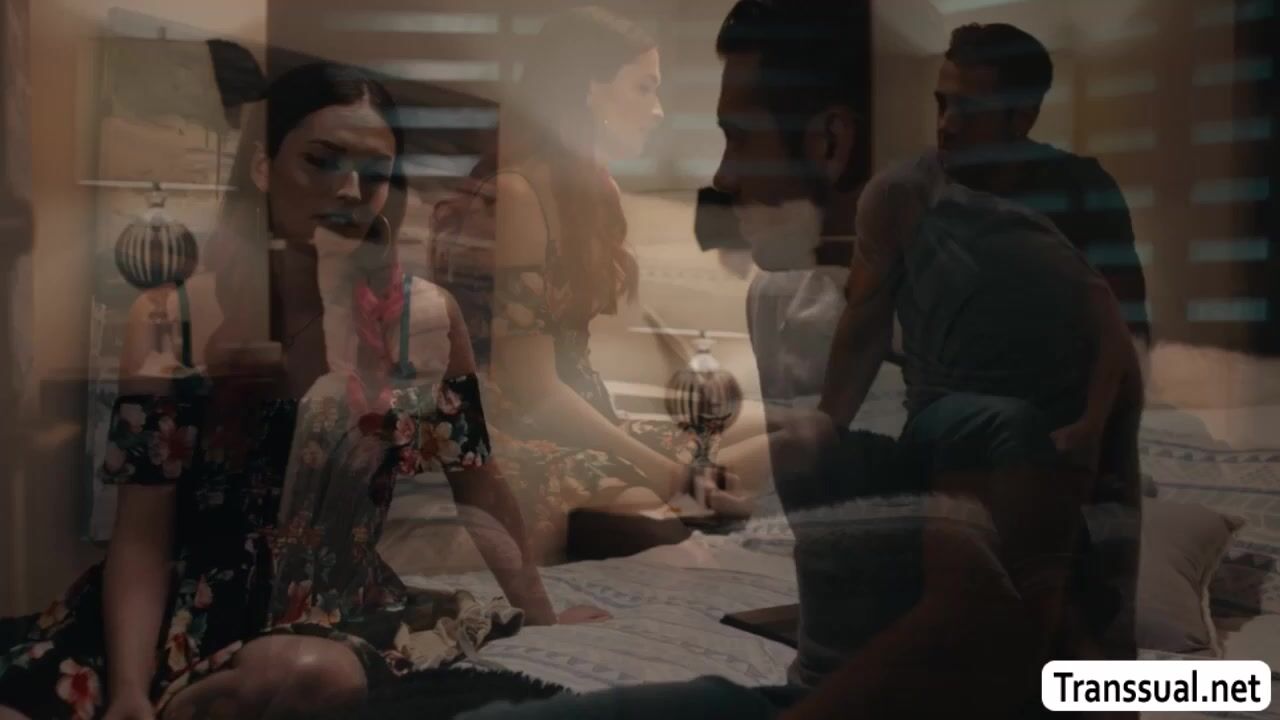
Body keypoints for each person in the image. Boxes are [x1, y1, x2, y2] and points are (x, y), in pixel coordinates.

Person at [455, 1, 1142, 718]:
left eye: (740, 136)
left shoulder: (994, 302)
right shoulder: (798, 302)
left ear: (832, 143)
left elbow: (983, 624)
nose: (721, 176)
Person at [0, 61, 601, 720]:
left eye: (374, 173)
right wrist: (127, 693)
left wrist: (542, 615)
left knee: (311, 676)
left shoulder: (424, 320)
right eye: (321, 160)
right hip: (181, 616)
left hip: (344, 611)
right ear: (263, 166)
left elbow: (476, 485)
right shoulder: (175, 318)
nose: (350, 190)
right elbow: (142, 534)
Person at [432, 6, 689, 558]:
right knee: (662, 525)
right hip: (514, 428)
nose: (659, 111)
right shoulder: (517, 195)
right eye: (644, 88)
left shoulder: (596, 191)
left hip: (584, 411)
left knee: (790, 442)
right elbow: (532, 389)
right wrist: (668, 474)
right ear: (589, 89)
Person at [935, 22, 1152, 346]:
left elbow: (1129, 334)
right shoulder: (923, 191)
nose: (946, 125)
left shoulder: (1082, 191)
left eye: (969, 109)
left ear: (1022, 118)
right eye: (942, 104)